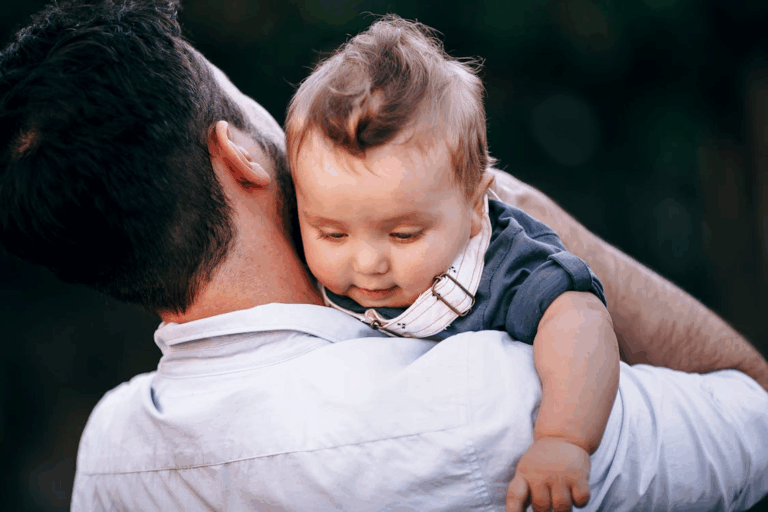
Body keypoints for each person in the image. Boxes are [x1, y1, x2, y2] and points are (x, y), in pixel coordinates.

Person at [0, 1, 767, 511]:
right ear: (240, 154)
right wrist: (523, 216)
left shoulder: (111, 455)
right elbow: (753, 412)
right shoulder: (487, 404)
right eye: (242, 96)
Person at [285, 16, 618, 510]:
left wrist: (563, 439)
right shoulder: (301, 260)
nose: (368, 262)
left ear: (471, 207)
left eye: (404, 234)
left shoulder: (506, 267)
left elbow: (583, 323)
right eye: (332, 233)